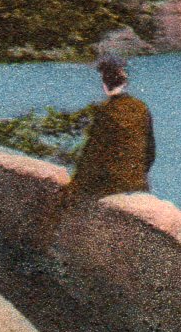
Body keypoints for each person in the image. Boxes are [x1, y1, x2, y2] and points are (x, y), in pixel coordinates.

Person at [38, 57, 156, 240]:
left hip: (110, 184)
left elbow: (92, 156)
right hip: (138, 183)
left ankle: (48, 241)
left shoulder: (105, 111)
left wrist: (74, 187)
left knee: (62, 208)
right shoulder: (141, 108)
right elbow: (150, 152)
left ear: (104, 85)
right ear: (125, 83)